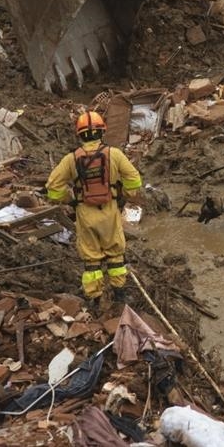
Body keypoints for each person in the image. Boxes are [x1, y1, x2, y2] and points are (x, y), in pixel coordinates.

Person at [45, 111, 142, 308]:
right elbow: (134, 179)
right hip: (110, 211)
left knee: (91, 261)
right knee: (116, 255)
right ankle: (120, 296)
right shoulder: (114, 154)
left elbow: (53, 188)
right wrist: (125, 195)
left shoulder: (71, 159)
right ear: (102, 131)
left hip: (85, 213)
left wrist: (69, 201)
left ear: (79, 134)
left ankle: (95, 299)